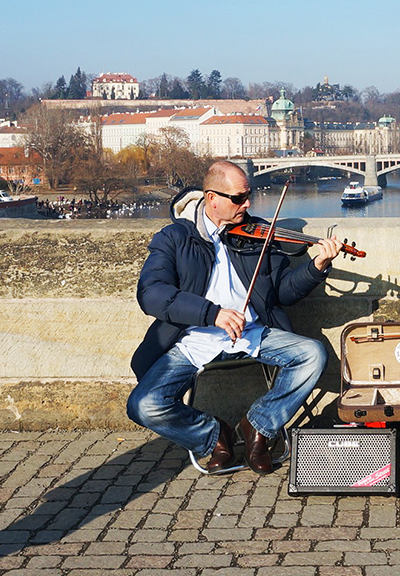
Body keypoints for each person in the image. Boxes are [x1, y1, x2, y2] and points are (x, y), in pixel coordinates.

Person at [127, 160, 342, 475]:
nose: (247, 204)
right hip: (193, 339)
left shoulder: (257, 234)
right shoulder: (174, 238)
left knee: (312, 354)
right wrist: (211, 314)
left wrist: (316, 267)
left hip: (254, 333)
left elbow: (282, 294)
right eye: (238, 198)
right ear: (212, 198)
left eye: (248, 195)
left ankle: (258, 427)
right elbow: (151, 293)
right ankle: (215, 436)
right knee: (143, 405)